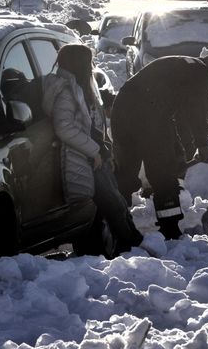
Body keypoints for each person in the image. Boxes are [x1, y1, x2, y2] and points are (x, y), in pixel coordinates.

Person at [110, 53, 208, 239]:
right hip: (149, 114)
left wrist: (178, 150)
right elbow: (195, 111)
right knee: (165, 177)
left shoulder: (180, 65)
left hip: (122, 109)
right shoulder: (200, 73)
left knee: (125, 174)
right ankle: (171, 232)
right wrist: (203, 146)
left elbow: (177, 120)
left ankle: (116, 227)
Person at [41, 44, 141, 256]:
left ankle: (130, 244)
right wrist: (94, 151)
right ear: (80, 64)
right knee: (112, 204)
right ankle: (131, 246)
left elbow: (92, 124)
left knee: (116, 201)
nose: (92, 66)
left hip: (94, 155)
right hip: (82, 159)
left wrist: (104, 150)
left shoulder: (81, 86)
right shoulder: (67, 91)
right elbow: (64, 127)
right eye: (89, 62)